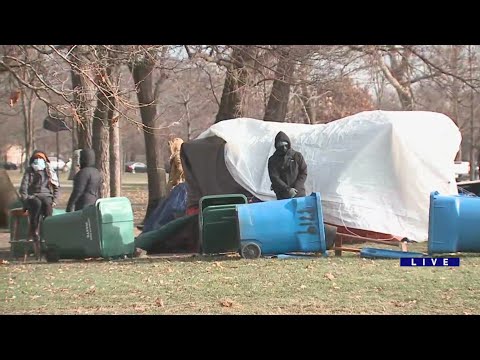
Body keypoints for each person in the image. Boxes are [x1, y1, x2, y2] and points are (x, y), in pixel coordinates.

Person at [19, 150, 60, 242]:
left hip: (46, 195)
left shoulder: (49, 171)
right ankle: (35, 231)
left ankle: (48, 231)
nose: (38, 160)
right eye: (36, 159)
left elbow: (56, 187)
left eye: (40, 158)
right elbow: (23, 187)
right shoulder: (29, 171)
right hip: (33, 196)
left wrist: (55, 201)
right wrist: (25, 200)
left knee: (47, 205)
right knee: (36, 204)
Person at [268, 131, 307, 200]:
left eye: (285, 145)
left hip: (299, 193)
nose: (284, 148)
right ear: (277, 146)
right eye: (281, 146)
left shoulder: (297, 156)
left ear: (289, 144)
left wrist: (296, 188)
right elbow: (274, 177)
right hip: (282, 194)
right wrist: (287, 189)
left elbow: (303, 172)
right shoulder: (273, 160)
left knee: (300, 210)